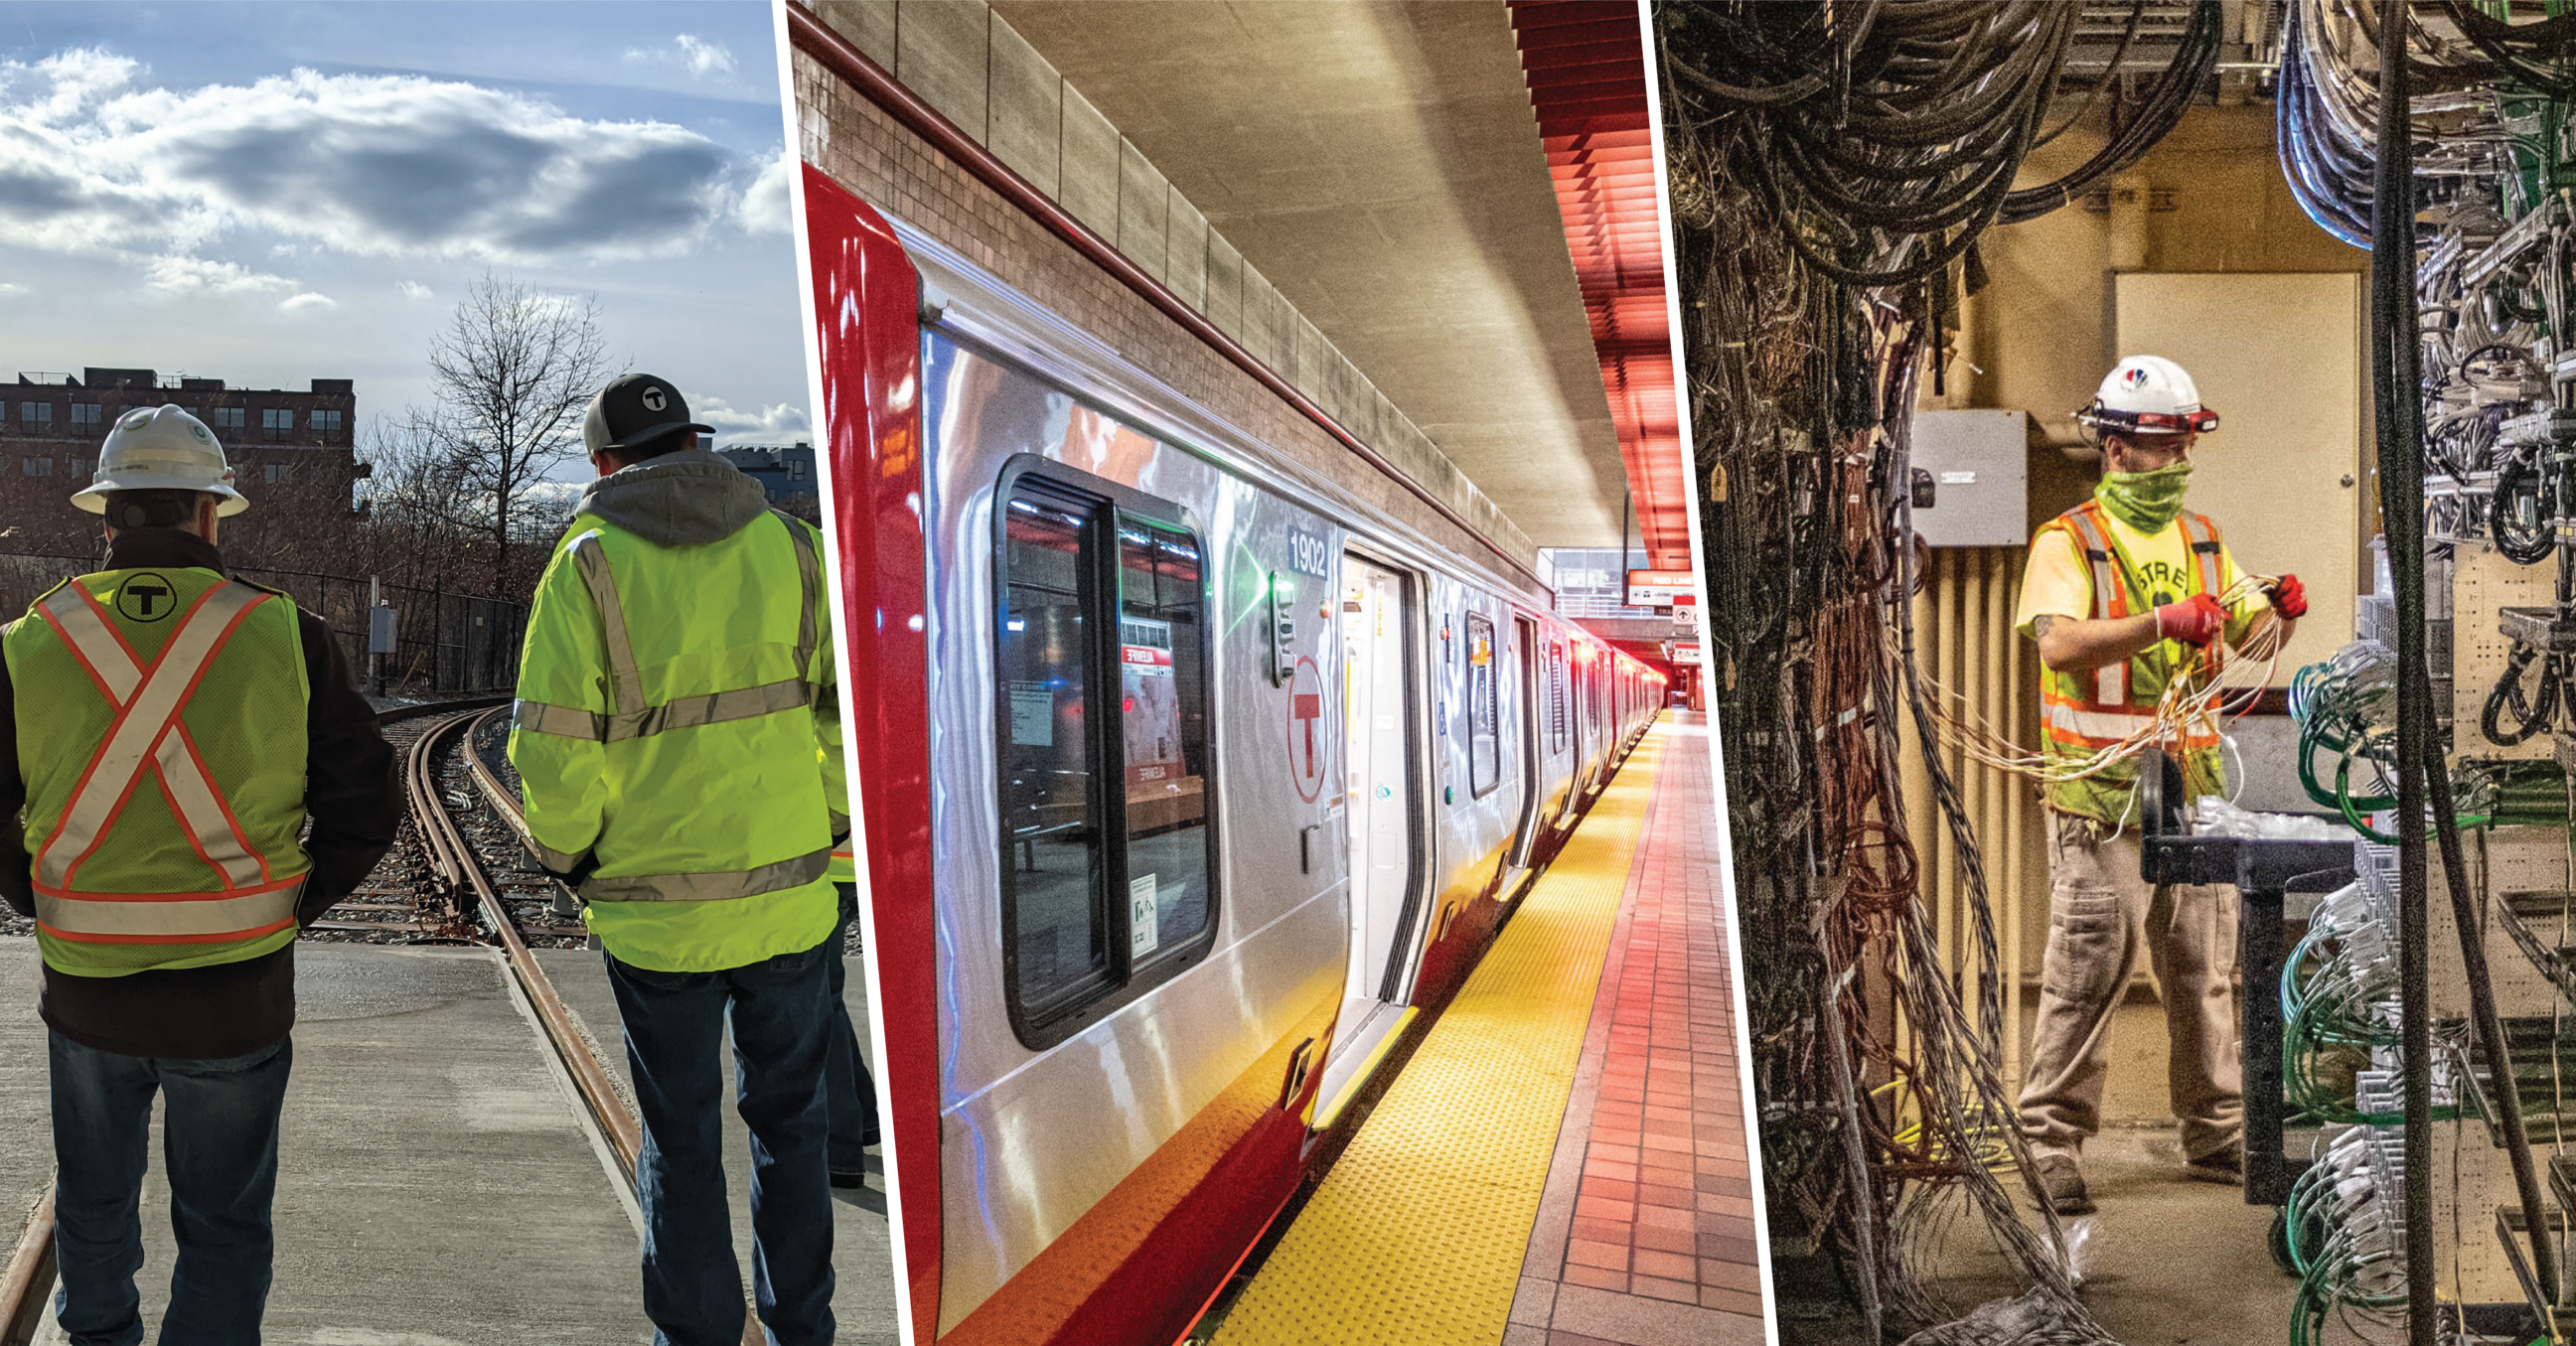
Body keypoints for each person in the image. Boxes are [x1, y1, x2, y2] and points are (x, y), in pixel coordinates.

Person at [0, 405, 399, 1342]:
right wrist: (292, 902)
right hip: (236, 994)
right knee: (222, 1224)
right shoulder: (285, 632)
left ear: (108, 517)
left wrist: (41, 899)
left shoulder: (28, 640)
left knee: (92, 1212)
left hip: (89, 994)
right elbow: (368, 801)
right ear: (211, 514)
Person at [509, 374, 849, 1346]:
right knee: (793, 1125)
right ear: (697, 443)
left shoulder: (585, 564)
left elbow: (552, 748)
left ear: (605, 464)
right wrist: (820, 822)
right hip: (790, 898)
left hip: (656, 915)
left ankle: (695, 1335)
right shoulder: (793, 547)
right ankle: (801, 1329)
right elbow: (848, 713)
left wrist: (576, 856)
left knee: (681, 1135)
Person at [2011, 355, 2306, 1216]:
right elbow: (2059, 645)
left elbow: (2251, 635)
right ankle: (2049, 1140)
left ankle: (2213, 1130)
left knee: (2201, 967)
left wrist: (2279, 608)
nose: (2175, 461)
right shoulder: (2068, 541)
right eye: (2159, 445)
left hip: (2191, 786)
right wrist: (2157, 623)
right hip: (2100, 794)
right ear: (2112, 447)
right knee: (2086, 971)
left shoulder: (2204, 538)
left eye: (2183, 443)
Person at [823, 840, 881, 1189]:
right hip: (841, 866)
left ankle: (839, 1154)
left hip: (817, 869)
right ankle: (863, 1120)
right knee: (825, 1000)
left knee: (815, 1010)